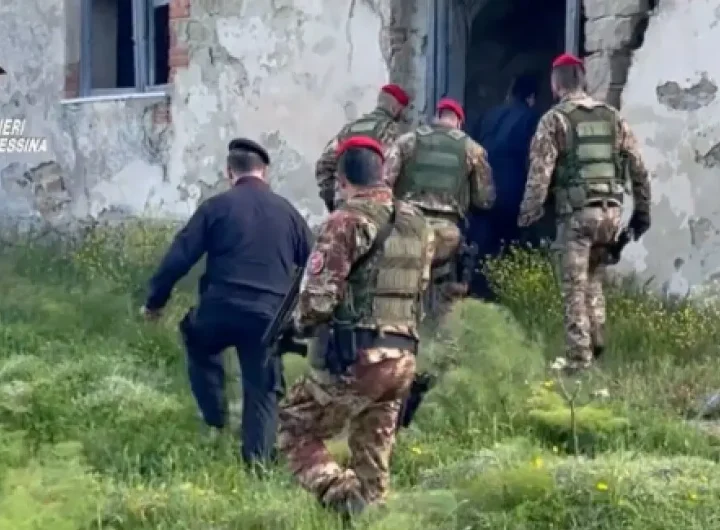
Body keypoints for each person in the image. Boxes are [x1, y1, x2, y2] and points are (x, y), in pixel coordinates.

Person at [278, 135, 435, 518]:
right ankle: (373, 516)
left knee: (293, 427)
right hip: (403, 358)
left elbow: (318, 302)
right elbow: (421, 286)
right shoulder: (418, 224)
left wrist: (297, 327)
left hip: (360, 357)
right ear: (382, 174)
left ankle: (345, 497)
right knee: (372, 457)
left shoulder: (346, 221)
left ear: (343, 180)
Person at [141, 138, 313, 466]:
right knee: (262, 386)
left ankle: (216, 418)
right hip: (268, 317)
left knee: (198, 339)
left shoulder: (216, 207)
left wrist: (155, 302)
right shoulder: (288, 213)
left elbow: (179, 257)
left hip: (219, 310)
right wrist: (304, 311)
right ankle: (258, 463)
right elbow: (316, 262)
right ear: (265, 172)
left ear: (229, 172)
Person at [517, 53, 651, 373]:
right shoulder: (612, 117)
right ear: (583, 79)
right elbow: (638, 167)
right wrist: (642, 213)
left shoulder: (555, 119)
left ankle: (579, 359)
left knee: (574, 286)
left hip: (578, 215)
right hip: (611, 212)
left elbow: (540, 174)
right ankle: (596, 336)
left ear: (555, 84)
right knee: (594, 277)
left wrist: (528, 215)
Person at [384, 97, 495, 317]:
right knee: (445, 291)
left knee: (400, 285)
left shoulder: (407, 141)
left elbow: (385, 181)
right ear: (459, 122)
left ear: (436, 116)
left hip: (409, 226)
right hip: (447, 234)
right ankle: (438, 329)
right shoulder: (472, 149)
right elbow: (484, 199)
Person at [467, 75, 543, 299]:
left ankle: (478, 294)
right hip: (513, 193)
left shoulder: (488, 115)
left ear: (510, 92)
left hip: (482, 191)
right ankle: (505, 297)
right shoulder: (532, 117)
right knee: (510, 248)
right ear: (531, 97)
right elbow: (536, 160)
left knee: (482, 248)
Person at [315, 84, 411, 212]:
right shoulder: (391, 130)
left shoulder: (349, 128)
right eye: (403, 111)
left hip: (345, 202)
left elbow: (323, 165)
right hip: (375, 207)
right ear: (395, 108)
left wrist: (332, 200)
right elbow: (392, 169)